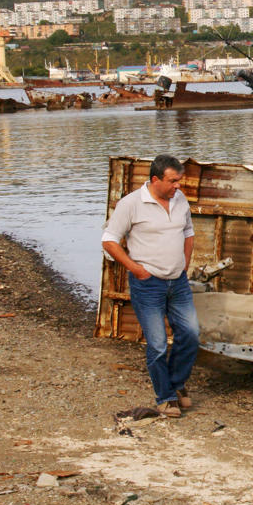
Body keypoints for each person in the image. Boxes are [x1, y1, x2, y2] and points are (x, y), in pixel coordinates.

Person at [101, 155, 199, 418]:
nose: (178, 186)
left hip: (177, 282)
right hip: (148, 284)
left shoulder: (180, 200)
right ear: (155, 179)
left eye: (180, 180)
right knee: (156, 344)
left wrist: (184, 264)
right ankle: (165, 397)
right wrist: (135, 269)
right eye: (173, 181)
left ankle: (177, 384)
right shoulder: (131, 204)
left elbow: (188, 233)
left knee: (190, 334)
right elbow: (109, 240)